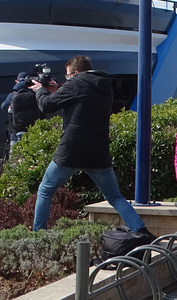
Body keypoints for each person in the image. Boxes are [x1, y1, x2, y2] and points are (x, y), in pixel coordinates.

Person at [29, 55, 150, 235]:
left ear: (76, 72)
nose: (68, 79)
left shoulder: (76, 83)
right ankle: (140, 229)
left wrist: (40, 90)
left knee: (45, 190)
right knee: (115, 197)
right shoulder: (103, 85)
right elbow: (82, 100)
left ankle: (38, 234)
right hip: (97, 151)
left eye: (68, 76)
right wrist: (60, 89)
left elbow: (47, 105)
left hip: (72, 150)